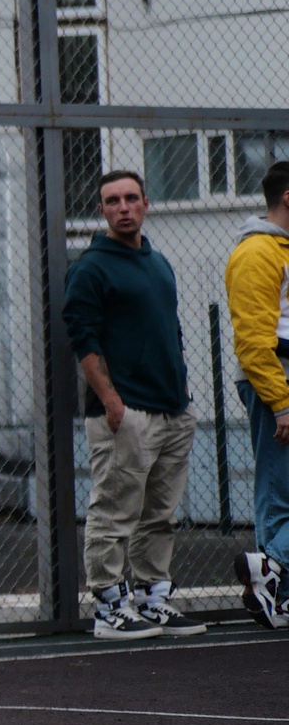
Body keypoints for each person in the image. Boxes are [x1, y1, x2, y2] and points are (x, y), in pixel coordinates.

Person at [63, 169, 202, 641]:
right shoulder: (90, 267)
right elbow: (82, 338)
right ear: (101, 210)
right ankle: (108, 606)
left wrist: (183, 400)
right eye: (112, 201)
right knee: (115, 511)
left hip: (172, 409)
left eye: (130, 198)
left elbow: (171, 332)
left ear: (146, 203)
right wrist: (110, 399)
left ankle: (151, 599)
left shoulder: (158, 262)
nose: (123, 207)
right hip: (125, 413)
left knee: (159, 514)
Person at [224, 157, 289, 629]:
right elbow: (252, 341)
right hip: (278, 383)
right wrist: (281, 402)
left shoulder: (281, 250)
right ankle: (274, 582)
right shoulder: (257, 254)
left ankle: (270, 574)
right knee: (279, 491)